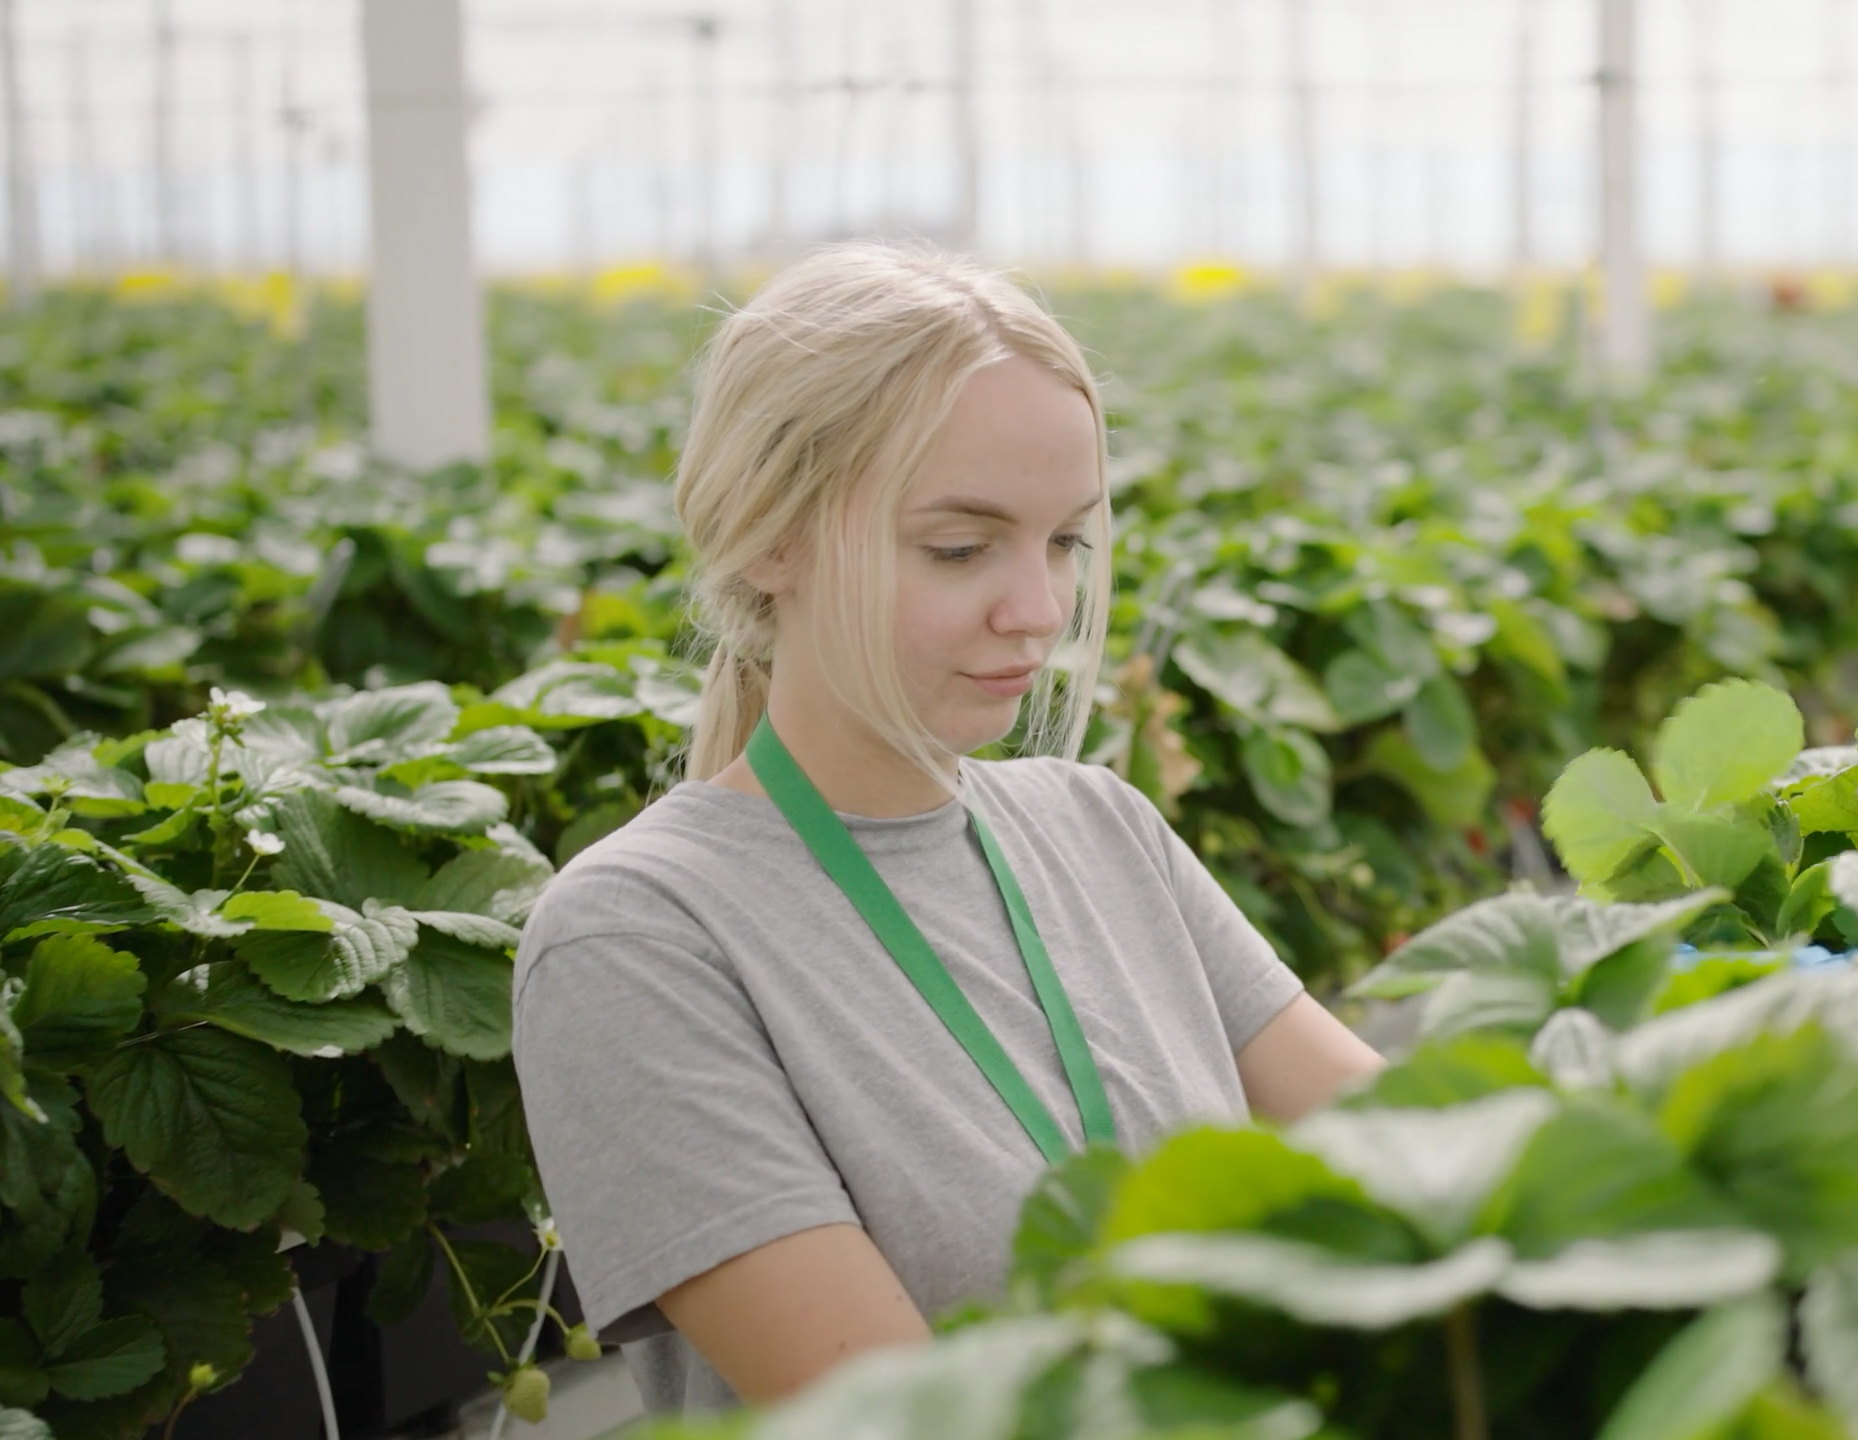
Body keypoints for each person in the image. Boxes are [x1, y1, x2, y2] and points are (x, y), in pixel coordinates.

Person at [508, 242, 1388, 1418]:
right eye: (960, 549)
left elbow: (1415, 1158)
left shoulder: (1103, 830)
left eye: (1065, 542)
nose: (1038, 611)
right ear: (769, 538)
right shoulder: (636, 940)